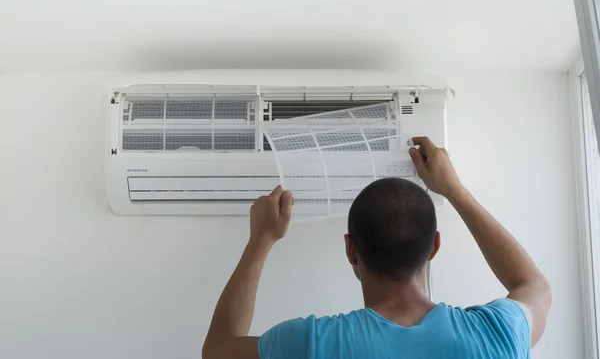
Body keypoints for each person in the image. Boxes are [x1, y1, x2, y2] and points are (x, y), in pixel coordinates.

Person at [202, 137, 551, 359]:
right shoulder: (497, 335)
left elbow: (218, 350)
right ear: (434, 247)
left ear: (351, 252)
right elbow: (533, 286)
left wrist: (260, 241)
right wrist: (455, 191)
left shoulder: (312, 344)